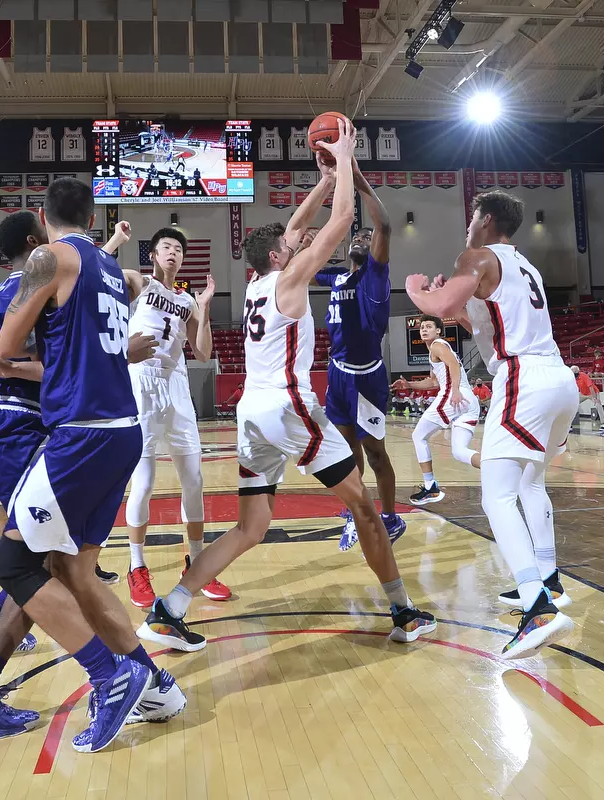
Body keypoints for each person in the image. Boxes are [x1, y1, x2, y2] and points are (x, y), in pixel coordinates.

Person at [137, 120, 436, 652]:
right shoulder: (290, 278)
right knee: (364, 508)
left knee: (250, 526)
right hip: (289, 406)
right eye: (287, 245)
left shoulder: (257, 279)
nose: (293, 242)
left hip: (252, 411)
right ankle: (403, 612)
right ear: (278, 257)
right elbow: (342, 220)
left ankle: (169, 608)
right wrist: (343, 160)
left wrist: (320, 182)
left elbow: (296, 227)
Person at [0, 178, 186, 753]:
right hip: (123, 431)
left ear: (43, 220)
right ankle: (157, 686)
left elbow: (12, 341)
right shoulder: (111, 272)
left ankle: (111, 676)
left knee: (15, 565)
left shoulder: (50, 258)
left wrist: (14, 349)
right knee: (77, 572)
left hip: (81, 433)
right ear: (92, 217)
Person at [0, 211, 147, 740]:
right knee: (37, 562)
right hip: (24, 422)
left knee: (45, 558)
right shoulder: (49, 282)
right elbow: (61, 361)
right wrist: (122, 351)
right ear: (37, 245)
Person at [404, 189, 576, 659]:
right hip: (560, 378)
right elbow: (477, 316)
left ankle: (538, 608)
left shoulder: (476, 255)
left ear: (487, 219)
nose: (466, 225)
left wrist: (417, 287)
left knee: (496, 494)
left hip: (524, 378)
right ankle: (549, 582)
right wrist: (460, 304)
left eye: (471, 217)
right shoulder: (525, 265)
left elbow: (437, 309)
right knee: (530, 485)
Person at [122, 225, 232, 609]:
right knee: (145, 482)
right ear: (153, 254)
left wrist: (205, 307)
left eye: (178, 249)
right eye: (166, 247)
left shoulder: (187, 300)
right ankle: (136, 566)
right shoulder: (140, 283)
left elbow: (203, 353)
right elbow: (106, 280)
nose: (173, 252)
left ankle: (198, 565)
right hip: (143, 382)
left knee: (195, 479)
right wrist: (115, 240)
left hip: (177, 385)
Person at [314, 161, 405, 550]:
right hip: (337, 374)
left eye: (368, 238)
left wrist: (356, 177)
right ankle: (357, 510)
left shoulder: (376, 276)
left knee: (375, 451)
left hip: (367, 376)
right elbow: (301, 265)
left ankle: (389, 517)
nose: (363, 238)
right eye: (359, 236)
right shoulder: (335, 276)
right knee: (346, 449)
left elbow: (384, 225)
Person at [391, 314, 480, 507]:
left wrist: (455, 391)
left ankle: (430, 486)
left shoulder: (437, 345)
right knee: (459, 451)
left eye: (428, 326)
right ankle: (498, 469)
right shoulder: (435, 350)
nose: (424, 329)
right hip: (468, 402)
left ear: (438, 330)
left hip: (454, 397)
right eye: (422, 327)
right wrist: (408, 384)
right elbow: (432, 381)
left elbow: (454, 365)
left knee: (418, 436)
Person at [571, 365, 604, 436]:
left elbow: (591, 387)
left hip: (592, 392)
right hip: (582, 393)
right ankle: (569, 425)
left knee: (598, 405)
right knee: (572, 405)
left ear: (577, 372)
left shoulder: (584, 376)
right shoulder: (572, 378)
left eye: (574, 372)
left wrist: (595, 398)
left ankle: (603, 425)